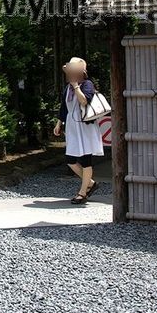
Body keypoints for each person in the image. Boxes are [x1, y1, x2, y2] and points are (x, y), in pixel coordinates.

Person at [53, 56, 104, 204]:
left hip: (85, 125)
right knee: (70, 159)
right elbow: (64, 107)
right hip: (72, 126)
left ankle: (83, 193)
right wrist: (59, 123)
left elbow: (84, 101)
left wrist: (76, 86)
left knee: (85, 159)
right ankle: (91, 183)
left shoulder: (87, 84)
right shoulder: (67, 88)